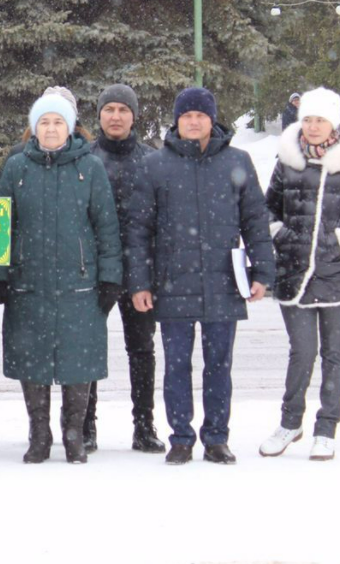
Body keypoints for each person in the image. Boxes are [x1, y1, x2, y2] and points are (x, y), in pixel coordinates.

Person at [126, 87, 276, 465]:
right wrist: (140, 283)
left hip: (223, 282)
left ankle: (216, 438)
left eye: (201, 115)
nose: (193, 122)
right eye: (186, 115)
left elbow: (255, 221)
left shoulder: (237, 161)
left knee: (219, 365)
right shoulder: (155, 165)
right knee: (176, 365)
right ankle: (180, 437)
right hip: (172, 282)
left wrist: (262, 271)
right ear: (177, 120)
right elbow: (139, 230)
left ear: (213, 119)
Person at [0, 92, 122, 464]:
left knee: (78, 361)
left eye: (58, 122)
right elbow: (3, 225)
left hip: (79, 284)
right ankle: (39, 433)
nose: (51, 128)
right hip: (28, 282)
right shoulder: (16, 167)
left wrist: (110, 277)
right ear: (34, 127)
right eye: (44, 122)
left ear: (70, 127)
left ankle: (74, 433)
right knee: (32, 360)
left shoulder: (90, 168)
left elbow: (106, 227)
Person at [260, 87, 340, 461]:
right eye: (307, 119)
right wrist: (277, 231)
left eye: (319, 120)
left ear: (334, 124)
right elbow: (267, 209)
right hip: (293, 271)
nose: (312, 127)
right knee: (302, 351)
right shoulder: (287, 161)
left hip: (337, 274)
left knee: (333, 353)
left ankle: (326, 427)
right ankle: (290, 421)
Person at [82, 84, 166, 454]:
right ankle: (85, 424)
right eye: (109, 109)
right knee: (87, 349)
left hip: (139, 273)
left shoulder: (152, 160)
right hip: (93, 272)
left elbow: (161, 220)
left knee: (141, 350)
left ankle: (144, 425)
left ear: (134, 116)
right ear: (98, 115)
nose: (115, 116)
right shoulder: (84, 158)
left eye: (123, 110)